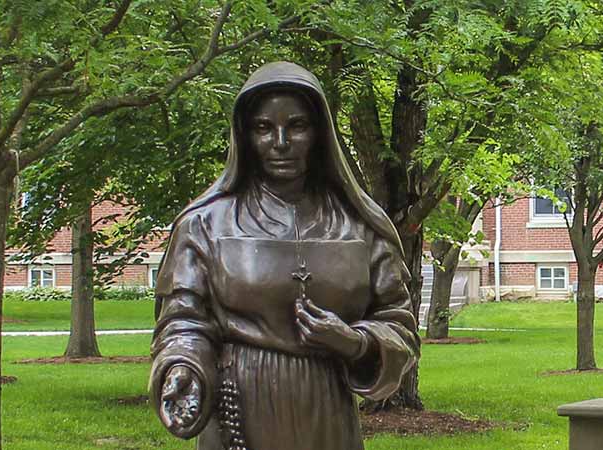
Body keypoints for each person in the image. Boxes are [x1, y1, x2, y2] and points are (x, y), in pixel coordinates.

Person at [150, 61, 418, 450]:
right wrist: (183, 366)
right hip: (239, 411)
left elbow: (399, 324)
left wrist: (355, 342)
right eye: (263, 128)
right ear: (245, 135)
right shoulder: (205, 224)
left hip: (326, 415)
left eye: (296, 126)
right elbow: (183, 321)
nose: (280, 142)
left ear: (319, 134)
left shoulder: (358, 226)